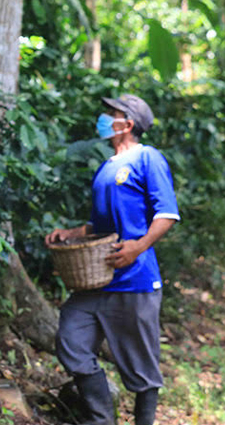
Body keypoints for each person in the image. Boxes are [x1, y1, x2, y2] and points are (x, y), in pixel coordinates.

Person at [45, 95, 179, 425]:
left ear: (128, 124)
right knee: (71, 340)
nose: (105, 118)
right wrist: (71, 232)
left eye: (112, 113)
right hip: (97, 278)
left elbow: (167, 214)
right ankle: (101, 420)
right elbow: (101, 226)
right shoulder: (107, 166)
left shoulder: (148, 158)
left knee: (142, 368)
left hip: (135, 281)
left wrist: (138, 246)